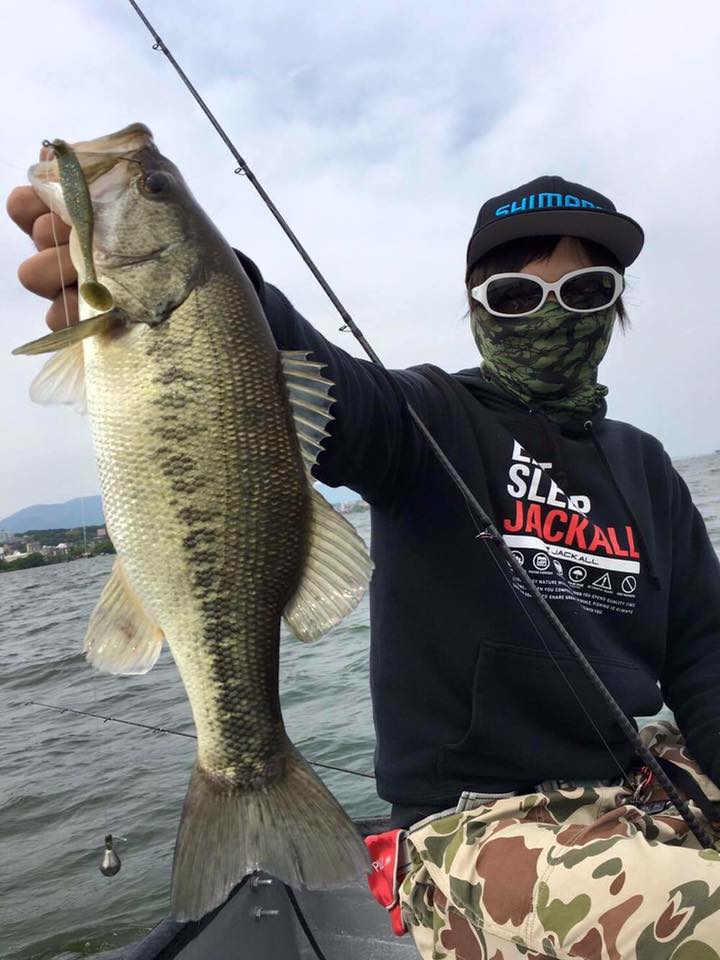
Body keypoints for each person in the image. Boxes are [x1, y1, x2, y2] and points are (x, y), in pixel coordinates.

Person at [8, 171, 720, 959]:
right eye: (518, 295)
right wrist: (205, 280)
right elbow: (311, 374)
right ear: (479, 309)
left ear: (616, 305)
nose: (553, 315)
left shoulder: (647, 467)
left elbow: (703, 651)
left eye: (586, 291)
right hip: (471, 831)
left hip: (638, 780)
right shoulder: (422, 422)